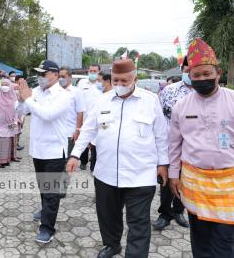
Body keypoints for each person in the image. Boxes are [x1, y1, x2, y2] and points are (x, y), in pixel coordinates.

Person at [67, 59, 169, 258]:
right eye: (116, 81)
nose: (120, 85)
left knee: (138, 222)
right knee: (108, 216)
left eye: (125, 81)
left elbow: (161, 136)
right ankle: (112, 245)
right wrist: (74, 154)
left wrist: (163, 164)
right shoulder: (102, 100)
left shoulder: (150, 100)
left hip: (140, 175)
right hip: (106, 173)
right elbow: (88, 130)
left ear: (135, 79)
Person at [169, 38, 234, 258]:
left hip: (231, 183)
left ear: (218, 73)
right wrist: (172, 175)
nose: (202, 79)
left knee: (225, 242)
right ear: (190, 76)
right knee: (201, 239)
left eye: (207, 74)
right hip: (195, 181)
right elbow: (174, 144)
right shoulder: (182, 106)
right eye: (196, 76)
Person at [17, 60, 71, 244]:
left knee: (51, 192)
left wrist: (29, 99)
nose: (40, 77)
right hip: (38, 149)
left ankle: (47, 228)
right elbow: (22, 112)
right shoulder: (37, 92)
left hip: (55, 150)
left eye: (44, 73)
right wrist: (21, 99)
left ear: (55, 75)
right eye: (39, 73)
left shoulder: (63, 95)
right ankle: (45, 209)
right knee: (43, 187)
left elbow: (47, 115)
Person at [153, 59, 193, 230]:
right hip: (172, 144)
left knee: (185, 180)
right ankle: (164, 213)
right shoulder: (169, 91)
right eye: (187, 68)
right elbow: (160, 118)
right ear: (182, 69)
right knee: (167, 179)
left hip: (193, 147)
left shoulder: (204, 91)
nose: (190, 72)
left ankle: (179, 211)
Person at [0, 78, 19, 168]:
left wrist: (15, 120)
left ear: (10, 86)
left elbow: (16, 109)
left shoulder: (13, 96)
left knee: (7, 142)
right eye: (3, 84)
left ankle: (6, 160)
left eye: (6, 85)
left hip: (9, 123)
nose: (4, 86)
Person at [77, 63, 101, 170]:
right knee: (84, 139)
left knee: (95, 142)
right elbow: (77, 99)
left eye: (94, 71)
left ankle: (94, 164)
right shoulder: (82, 83)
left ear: (99, 72)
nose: (92, 73)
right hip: (84, 116)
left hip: (98, 118)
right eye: (90, 71)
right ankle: (83, 161)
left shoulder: (102, 85)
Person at [89, 72, 113, 172]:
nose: (98, 83)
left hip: (107, 133)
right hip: (96, 132)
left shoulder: (112, 97)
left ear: (107, 81)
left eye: (100, 81)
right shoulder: (98, 94)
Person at [58, 66, 84, 157]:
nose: (60, 79)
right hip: (57, 132)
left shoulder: (76, 92)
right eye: (59, 77)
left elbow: (80, 112)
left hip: (69, 133)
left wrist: (77, 130)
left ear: (70, 77)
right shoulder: (56, 91)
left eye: (63, 76)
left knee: (66, 160)